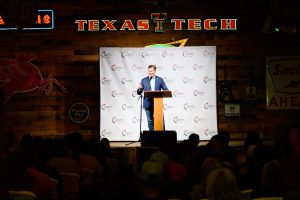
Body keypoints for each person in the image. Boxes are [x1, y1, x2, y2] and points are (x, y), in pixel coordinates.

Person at [137, 64, 168, 131]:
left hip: (157, 104)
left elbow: (166, 90)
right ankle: (152, 138)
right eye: (149, 71)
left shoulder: (159, 80)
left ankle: (163, 137)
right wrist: (139, 89)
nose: (149, 73)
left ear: (155, 71)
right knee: (150, 121)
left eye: (151, 71)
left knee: (161, 121)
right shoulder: (144, 80)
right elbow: (139, 92)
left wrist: (165, 92)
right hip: (147, 103)